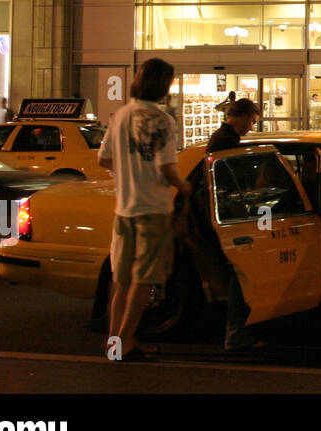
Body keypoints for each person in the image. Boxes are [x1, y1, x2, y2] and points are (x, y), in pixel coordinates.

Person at [99, 58, 190, 362]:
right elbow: (167, 169)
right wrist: (186, 187)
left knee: (121, 281)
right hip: (153, 210)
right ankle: (125, 343)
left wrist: (126, 176)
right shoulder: (163, 120)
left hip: (124, 210)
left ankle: (115, 343)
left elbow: (104, 159)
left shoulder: (121, 115)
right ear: (164, 85)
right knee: (143, 280)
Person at [200, 98, 265, 351]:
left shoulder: (224, 137)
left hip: (224, 214)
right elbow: (225, 184)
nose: (250, 127)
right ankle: (236, 333)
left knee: (240, 275)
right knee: (242, 273)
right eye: (250, 121)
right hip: (228, 217)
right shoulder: (225, 141)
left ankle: (237, 331)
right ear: (239, 116)